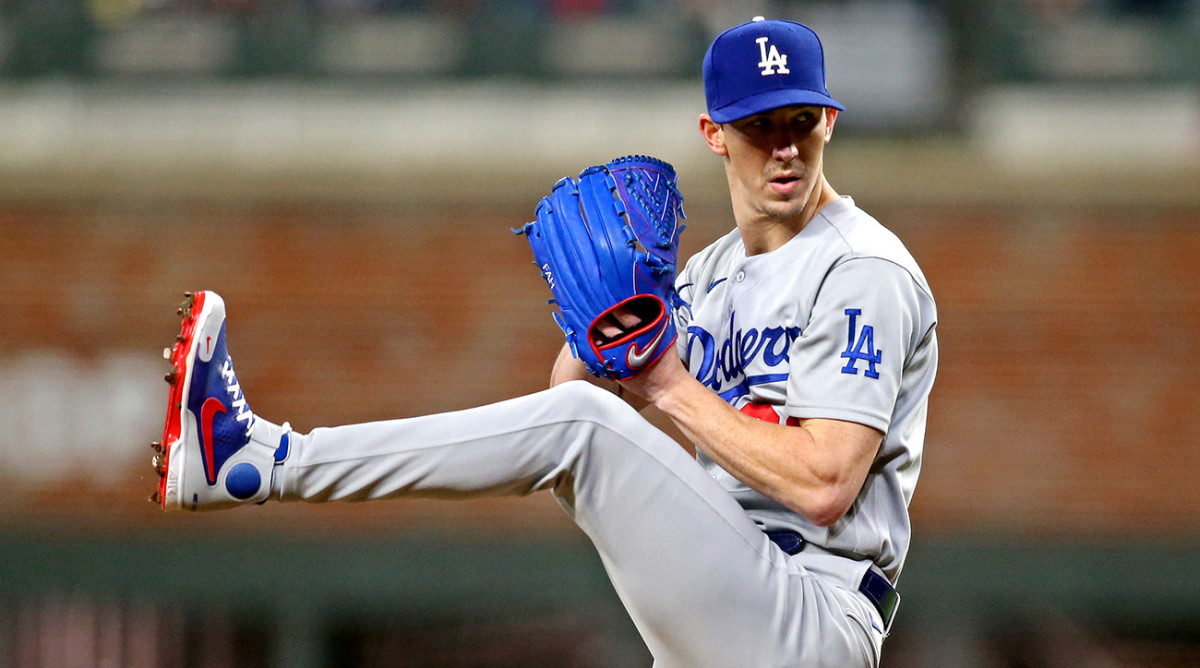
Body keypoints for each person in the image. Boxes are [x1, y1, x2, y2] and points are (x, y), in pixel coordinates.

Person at [153, 16, 937, 668]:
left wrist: (661, 384)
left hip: (814, 611)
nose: (785, 146)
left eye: (801, 121)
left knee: (582, 436)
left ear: (830, 120)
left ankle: (265, 459)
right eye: (759, 125)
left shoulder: (861, 268)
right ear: (714, 134)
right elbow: (571, 397)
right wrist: (605, 328)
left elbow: (825, 484)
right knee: (577, 424)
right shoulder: (710, 273)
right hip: (728, 601)